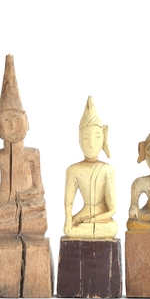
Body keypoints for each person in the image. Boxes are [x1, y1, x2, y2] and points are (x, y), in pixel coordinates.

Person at [0, 55, 47, 237]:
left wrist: (22, 198)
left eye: (16, 119)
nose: (12, 125)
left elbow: (40, 189)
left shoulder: (32, 155)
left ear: (26, 121)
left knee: (38, 214)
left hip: (28, 207)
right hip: (4, 206)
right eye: (6, 120)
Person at [64, 96, 117, 239]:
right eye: (86, 138)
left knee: (113, 228)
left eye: (97, 137)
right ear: (79, 140)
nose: (91, 144)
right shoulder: (73, 170)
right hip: (83, 216)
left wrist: (90, 220)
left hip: (102, 220)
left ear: (103, 139)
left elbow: (112, 210)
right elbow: (69, 203)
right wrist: (69, 220)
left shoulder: (106, 170)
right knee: (69, 230)